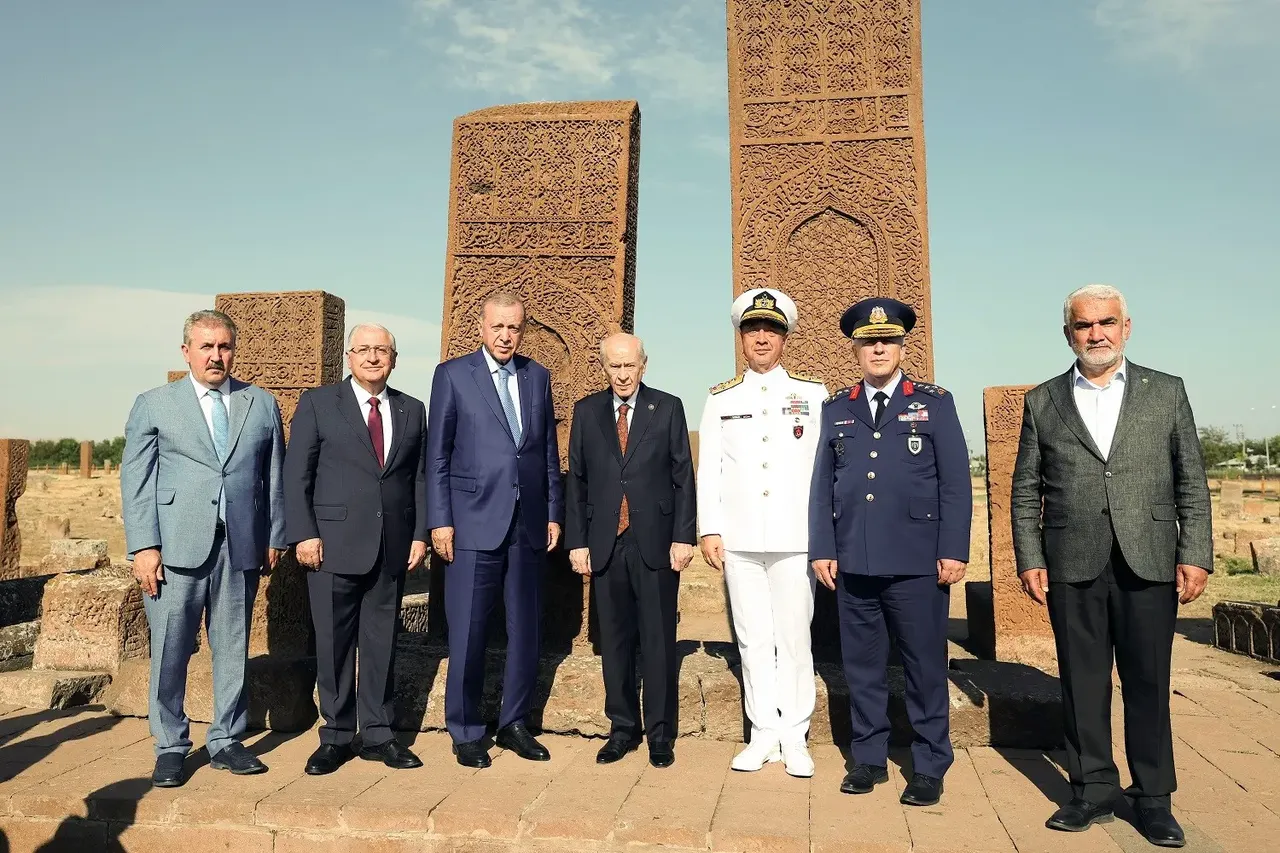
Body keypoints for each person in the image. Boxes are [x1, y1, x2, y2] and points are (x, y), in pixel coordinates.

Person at [1011, 284, 1211, 848]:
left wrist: (1195, 551)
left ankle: (1153, 798)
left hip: (1148, 558)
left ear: (1126, 327)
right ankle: (1092, 789)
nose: (1095, 334)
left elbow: (1190, 479)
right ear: (1067, 333)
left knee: (1148, 682)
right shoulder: (1045, 400)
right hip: (1072, 561)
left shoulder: (1165, 392)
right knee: (1082, 681)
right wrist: (1030, 556)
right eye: (1083, 325)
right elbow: (1025, 490)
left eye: (1106, 323)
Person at [808, 297, 971, 807]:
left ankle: (929, 762)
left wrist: (953, 549)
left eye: (888, 341)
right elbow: (823, 485)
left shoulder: (934, 402)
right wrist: (822, 548)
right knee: (863, 666)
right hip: (854, 557)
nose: (878, 348)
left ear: (902, 346)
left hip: (918, 560)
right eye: (868, 342)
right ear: (855, 348)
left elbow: (955, 483)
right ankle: (870, 758)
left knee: (924, 665)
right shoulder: (837, 408)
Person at [121, 309, 285, 788]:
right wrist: (144, 546)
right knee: (171, 649)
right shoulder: (154, 404)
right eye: (207, 346)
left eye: (225, 346)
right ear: (186, 351)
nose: (217, 356)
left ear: (235, 349)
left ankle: (226, 740)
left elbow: (272, 472)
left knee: (232, 646)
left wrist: (274, 534)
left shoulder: (260, 403)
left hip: (240, 545)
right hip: (174, 549)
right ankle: (170, 745)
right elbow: (137, 480)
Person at [426, 291, 564, 769]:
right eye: (498, 326)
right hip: (470, 524)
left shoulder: (536, 376)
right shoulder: (452, 376)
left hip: (526, 525)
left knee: (524, 629)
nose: (506, 335)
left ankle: (514, 724)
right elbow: (437, 456)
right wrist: (440, 520)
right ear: (481, 328)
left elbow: (545, 450)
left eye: (515, 327)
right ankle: (465, 730)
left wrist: (552, 511)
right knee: (468, 630)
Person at [284, 323, 428, 775]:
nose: (372, 357)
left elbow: (419, 478)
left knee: (382, 642)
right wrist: (304, 533)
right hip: (331, 547)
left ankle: (380, 734)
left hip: (392, 548)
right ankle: (336, 735)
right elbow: (297, 475)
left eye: (381, 350)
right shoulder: (319, 403)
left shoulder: (412, 409)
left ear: (394, 358)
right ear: (349, 356)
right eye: (363, 349)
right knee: (333, 644)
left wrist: (420, 534)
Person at [696, 289, 827, 777]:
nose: (762, 338)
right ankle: (762, 733)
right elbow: (709, 470)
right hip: (741, 537)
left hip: (797, 536)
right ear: (741, 337)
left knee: (795, 637)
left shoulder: (814, 395)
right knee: (751, 639)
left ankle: (795, 735)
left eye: (771, 330)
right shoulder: (721, 398)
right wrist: (710, 528)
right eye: (753, 330)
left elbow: (825, 470)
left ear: (786, 337)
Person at [566, 333, 696, 769]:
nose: (622, 375)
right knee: (615, 642)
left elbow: (683, 476)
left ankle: (660, 733)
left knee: (658, 641)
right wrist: (577, 541)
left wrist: (684, 536)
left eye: (629, 366)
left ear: (644, 365)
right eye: (614, 367)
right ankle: (622, 728)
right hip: (605, 542)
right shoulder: (587, 411)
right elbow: (577, 480)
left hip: (656, 540)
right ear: (604, 367)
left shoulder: (668, 406)